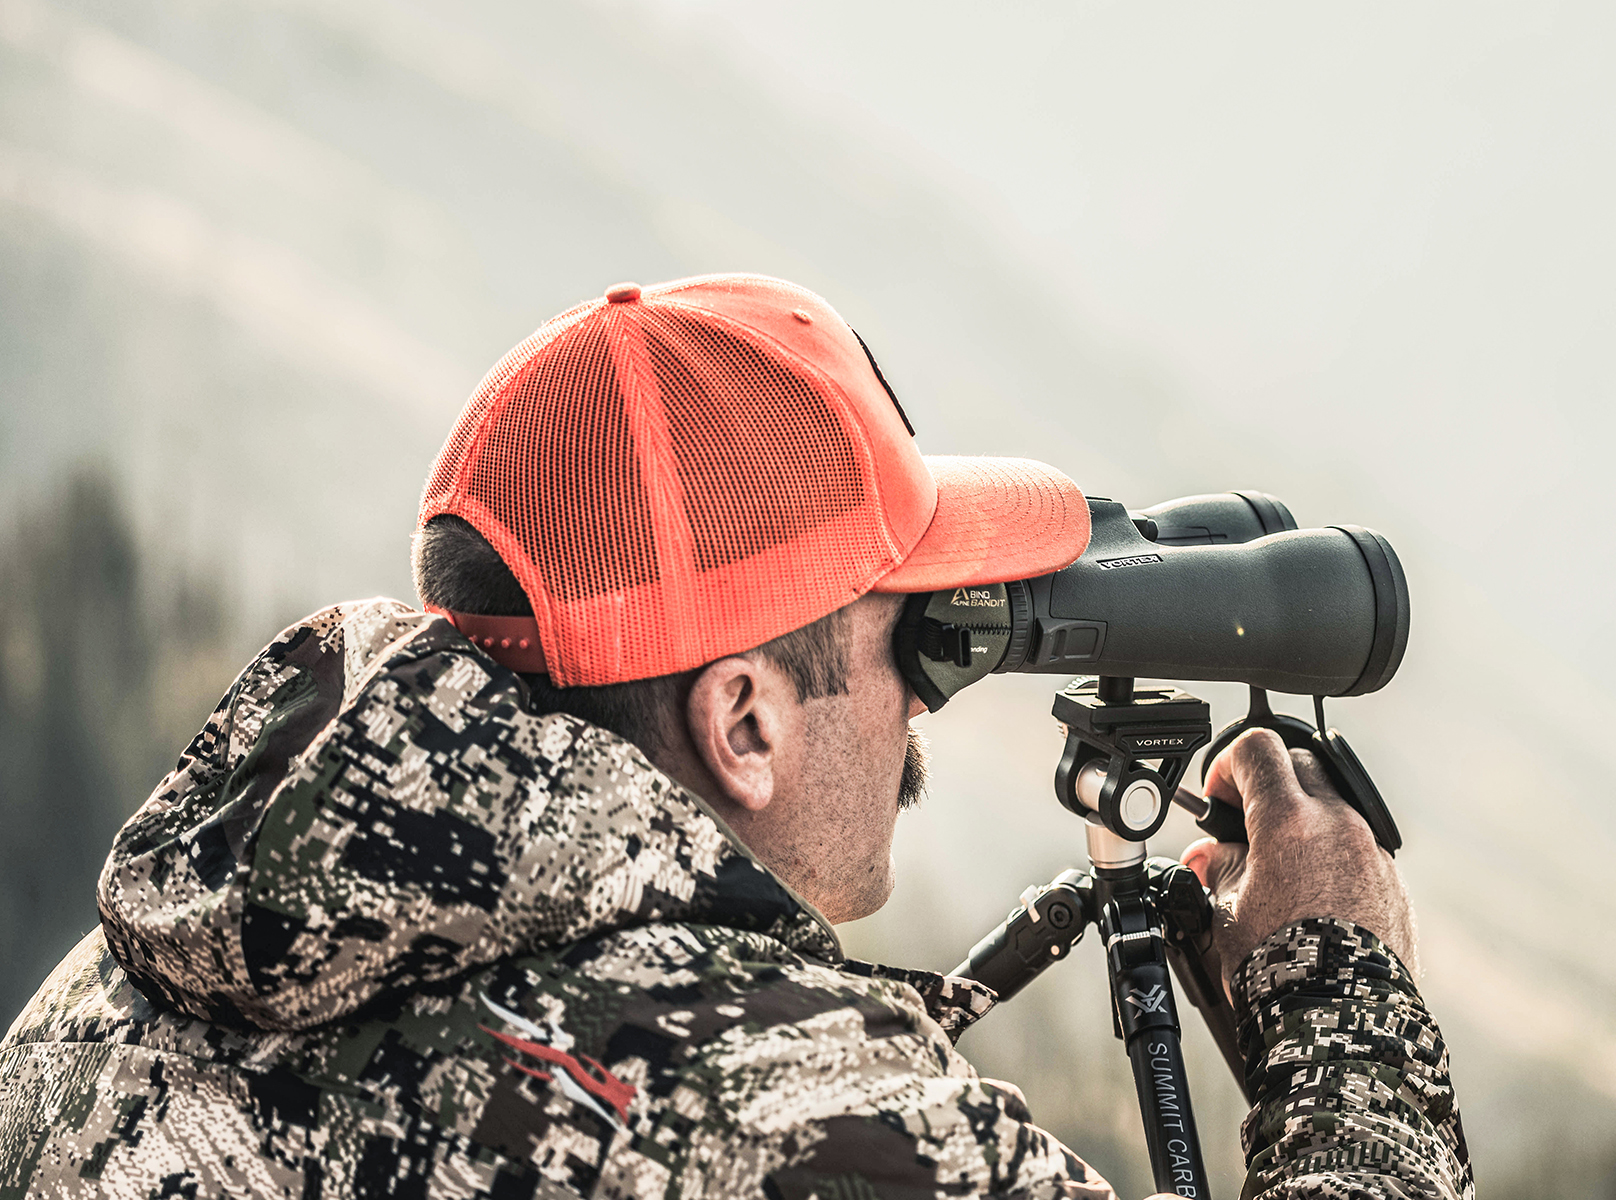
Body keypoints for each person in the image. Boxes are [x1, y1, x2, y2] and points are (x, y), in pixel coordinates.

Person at [0, 275, 1472, 1198]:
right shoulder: (816, 1131)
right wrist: (1344, 1026)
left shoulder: (135, 990)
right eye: (899, 629)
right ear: (745, 722)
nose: (923, 694)